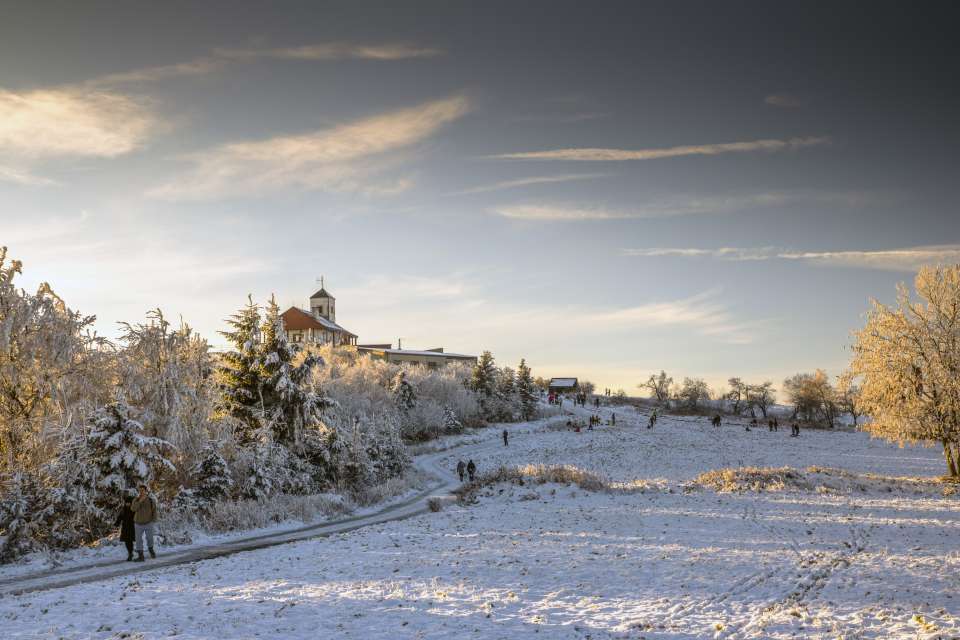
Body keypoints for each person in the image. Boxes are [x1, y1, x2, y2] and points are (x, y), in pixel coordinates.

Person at [131, 484, 157, 562]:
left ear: (146, 491)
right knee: (138, 540)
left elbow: (154, 510)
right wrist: (140, 501)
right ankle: (141, 556)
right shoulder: (136, 499)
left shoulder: (151, 500)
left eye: (143, 490)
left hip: (148, 522)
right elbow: (133, 509)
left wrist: (154, 519)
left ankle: (151, 549)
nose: (141, 492)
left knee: (150, 538)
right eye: (140, 491)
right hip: (138, 523)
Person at [115, 494, 136, 562]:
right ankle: (130, 553)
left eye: (128, 503)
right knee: (127, 541)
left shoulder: (134, 509)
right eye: (126, 503)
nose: (127, 504)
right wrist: (117, 523)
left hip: (132, 527)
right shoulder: (123, 509)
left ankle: (131, 553)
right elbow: (120, 516)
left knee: (130, 541)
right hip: (125, 527)